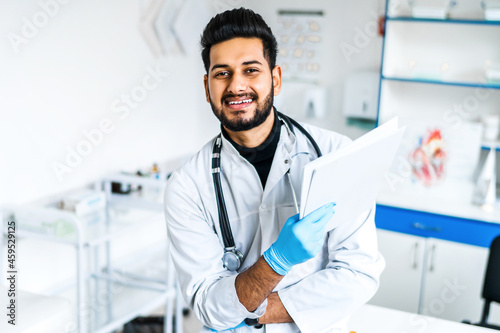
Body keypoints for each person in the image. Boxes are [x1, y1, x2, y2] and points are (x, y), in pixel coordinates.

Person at [164, 8, 384, 333]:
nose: (236, 85)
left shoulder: (336, 154)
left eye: (250, 70)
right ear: (207, 85)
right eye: (222, 73)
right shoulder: (187, 187)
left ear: (275, 78)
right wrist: (276, 261)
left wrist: (251, 310)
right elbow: (209, 308)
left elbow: (358, 274)